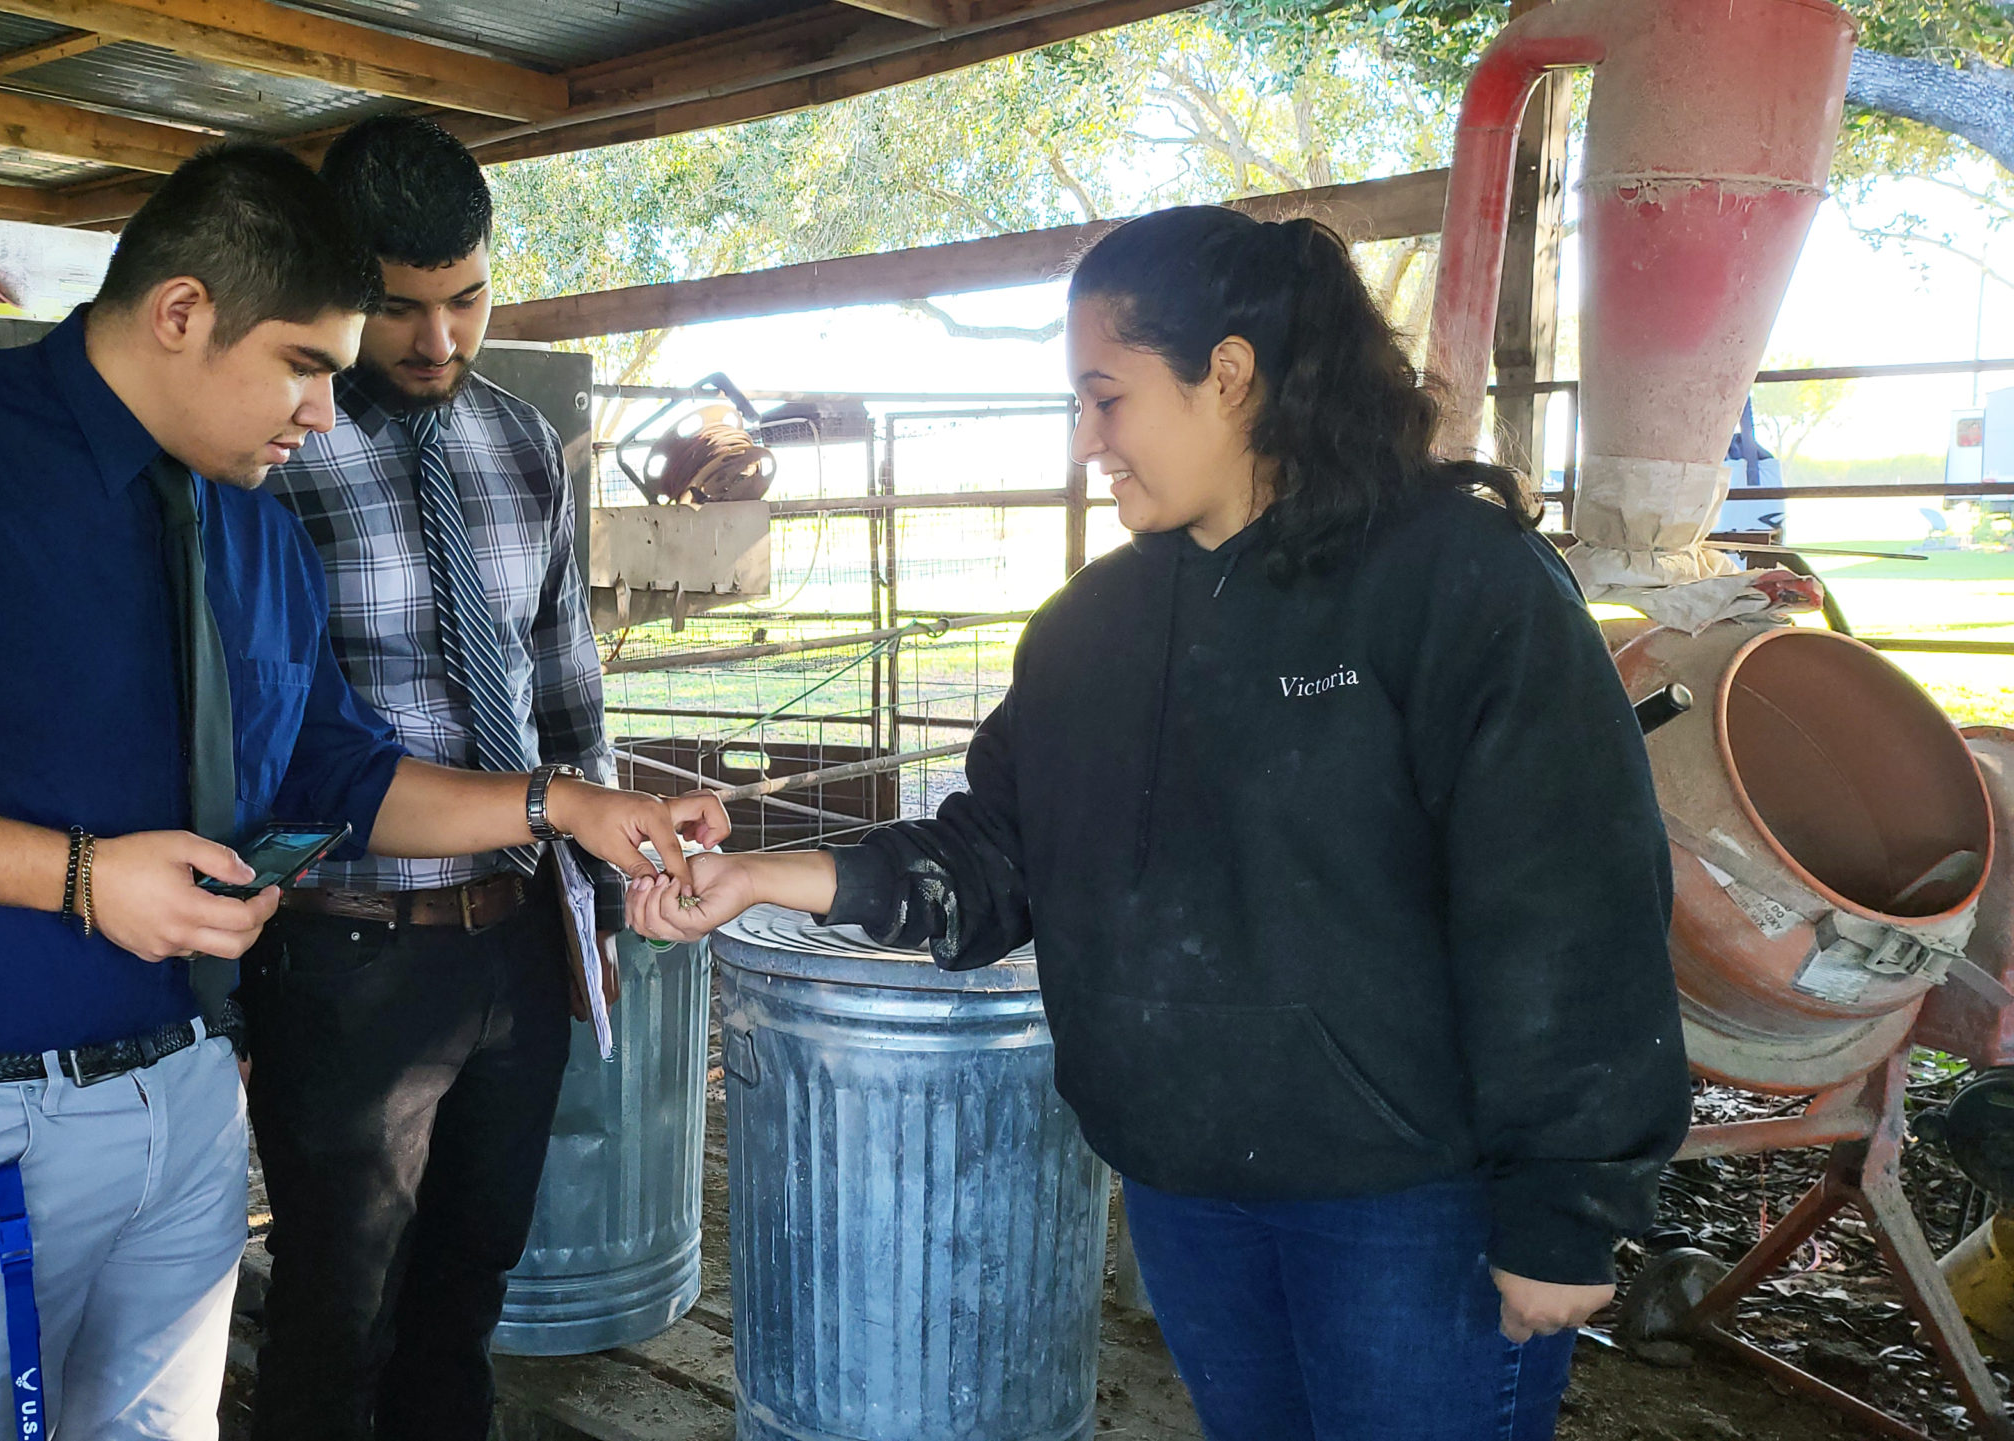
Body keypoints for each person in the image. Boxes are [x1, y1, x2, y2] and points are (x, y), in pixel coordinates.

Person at [0, 141, 723, 1441]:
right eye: (307, 366)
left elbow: (336, 772)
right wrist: (78, 876)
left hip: (181, 1096)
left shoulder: (253, 528)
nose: (326, 413)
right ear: (181, 313)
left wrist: (558, 807)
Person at [630, 205, 1692, 1441]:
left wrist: (1566, 1206)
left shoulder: (1457, 579)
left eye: (1106, 397)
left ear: (1228, 375)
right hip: (1187, 1181)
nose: (1087, 442)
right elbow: (998, 857)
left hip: (1412, 1200)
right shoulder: (1091, 626)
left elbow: (1569, 900)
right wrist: (761, 875)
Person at [240, 113, 624, 1441]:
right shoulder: (264, 453)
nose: (439, 341)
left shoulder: (521, 440)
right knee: (340, 1311)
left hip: (514, 939)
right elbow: (254, 734)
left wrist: (597, 901)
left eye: (465, 300)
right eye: (399, 310)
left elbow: (564, 685)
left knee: (468, 1292)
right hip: (347, 951)